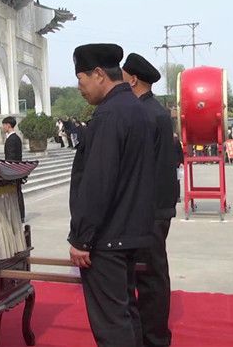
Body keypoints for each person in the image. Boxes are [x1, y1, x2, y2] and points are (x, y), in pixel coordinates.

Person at [68, 43, 155, 347]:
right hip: (131, 231)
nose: (80, 89)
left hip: (107, 237)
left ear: (98, 74)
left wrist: (81, 238)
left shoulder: (108, 116)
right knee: (126, 312)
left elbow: (97, 184)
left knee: (111, 325)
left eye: (81, 80)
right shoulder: (136, 109)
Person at [122, 53, 178, 347]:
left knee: (151, 276)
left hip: (150, 210)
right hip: (159, 206)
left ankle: (154, 338)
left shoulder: (144, 113)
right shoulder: (156, 111)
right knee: (152, 273)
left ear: (132, 79)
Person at [2, 116, 25, 222]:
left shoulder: (12, 139)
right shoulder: (15, 137)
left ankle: (19, 214)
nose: (3, 127)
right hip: (16, 169)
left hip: (13, 170)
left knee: (15, 192)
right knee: (16, 192)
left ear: (8, 125)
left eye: (4, 125)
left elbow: (11, 157)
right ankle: (20, 214)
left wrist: (8, 170)